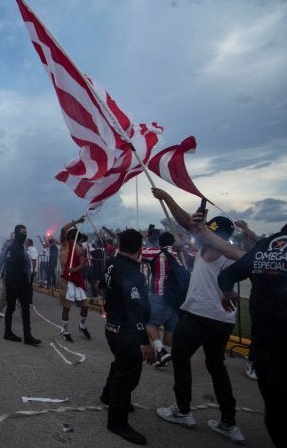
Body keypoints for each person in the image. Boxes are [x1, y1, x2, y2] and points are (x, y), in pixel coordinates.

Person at [152, 188, 247, 445]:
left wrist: (166, 198)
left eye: (209, 231)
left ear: (216, 233)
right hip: (223, 319)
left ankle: (182, 410)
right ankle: (228, 422)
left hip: (199, 313)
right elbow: (204, 268)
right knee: (216, 364)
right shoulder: (228, 253)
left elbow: (186, 222)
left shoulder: (214, 246)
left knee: (181, 358)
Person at [217, 217, 287, 447]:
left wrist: (227, 292)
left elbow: (226, 276)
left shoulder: (267, 247)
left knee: (278, 416)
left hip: (264, 350)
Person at [100, 229, 155, 445]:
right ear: (140, 248)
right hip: (127, 330)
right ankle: (117, 422)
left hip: (113, 325)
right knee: (128, 374)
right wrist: (143, 341)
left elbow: (104, 284)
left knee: (120, 363)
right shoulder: (132, 271)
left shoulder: (113, 263)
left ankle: (108, 395)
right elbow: (135, 306)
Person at [144, 231, 181, 368]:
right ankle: (172, 356)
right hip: (178, 297)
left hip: (160, 294)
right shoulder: (182, 253)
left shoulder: (156, 252)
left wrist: (143, 236)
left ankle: (160, 351)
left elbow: (134, 251)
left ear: (160, 243)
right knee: (170, 332)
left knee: (149, 323)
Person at [3, 224, 40, 346]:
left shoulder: (23, 248)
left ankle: (27, 336)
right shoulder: (11, 248)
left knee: (25, 309)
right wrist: (11, 285)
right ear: (17, 233)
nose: (24, 235)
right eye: (22, 233)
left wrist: (27, 281)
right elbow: (8, 268)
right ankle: (8, 332)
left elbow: (25, 266)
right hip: (12, 283)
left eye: (26, 233)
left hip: (22, 284)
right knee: (10, 308)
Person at [59, 224, 91, 341]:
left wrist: (74, 270)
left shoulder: (80, 248)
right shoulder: (64, 245)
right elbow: (63, 229)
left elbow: (82, 264)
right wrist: (76, 221)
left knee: (85, 305)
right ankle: (65, 331)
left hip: (76, 278)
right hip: (66, 279)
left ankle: (82, 326)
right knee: (66, 307)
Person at [0, 233, 13, 318]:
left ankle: (24, 313)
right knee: (5, 294)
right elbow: (0, 262)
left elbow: (26, 264)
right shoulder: (7, 250)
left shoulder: (22, 250)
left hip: (18, 277)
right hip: (7, 275)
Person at [25, 238, 38, 303]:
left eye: (25, 242)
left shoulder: (32, 250)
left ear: (28, 243)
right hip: (28, 270)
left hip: (31, 271)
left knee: (29, 286)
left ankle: (29, 300)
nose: (24, 243)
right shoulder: (28, 249)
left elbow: (34, 260)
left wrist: (33, 270)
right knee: (27, 285)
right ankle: (27, 299)